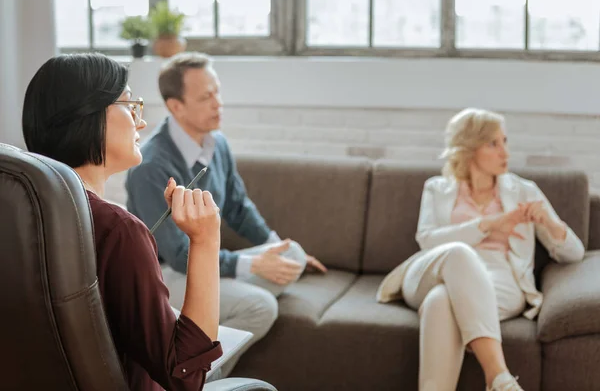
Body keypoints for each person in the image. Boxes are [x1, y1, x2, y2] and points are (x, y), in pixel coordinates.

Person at [22, 53, 223, 391]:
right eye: (130, 106)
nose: (140, 122)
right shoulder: (119, 230)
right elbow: (183, 378)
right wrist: (205, 240)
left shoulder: (22, 210)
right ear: (89, 117)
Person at [125, 52, 327, 377]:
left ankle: (211, 323)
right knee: (261, 306)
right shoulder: (150, 166)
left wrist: (275, 247)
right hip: (168, 275)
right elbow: (177, 254)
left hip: (205, 264)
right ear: (176, 106)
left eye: (217, 91)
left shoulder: (218, 145)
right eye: (206, 97)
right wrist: (250, 265)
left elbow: (237, 207)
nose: (218, 103)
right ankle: (198, 379)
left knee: (294, 254)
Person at [376, 108, 585, 391]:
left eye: (505, 141)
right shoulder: (437, 188)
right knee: (460, 253)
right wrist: (489, 224)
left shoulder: (524, 191)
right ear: (470, 148)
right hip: (433, 269)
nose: (505, 153)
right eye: (493, 144)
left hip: (498, 279)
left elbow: (574, 254)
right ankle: (498, 377)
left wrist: (550, 221)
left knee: (441, 303)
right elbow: (427, 241)